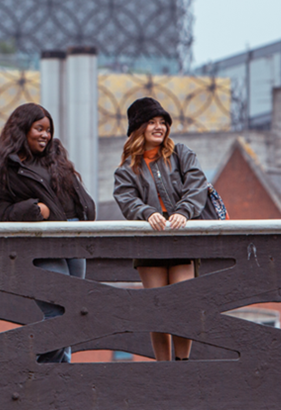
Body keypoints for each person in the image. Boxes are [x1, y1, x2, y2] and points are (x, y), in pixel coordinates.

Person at [0, 103, 95, 363]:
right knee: (59, 313)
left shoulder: (55, 157)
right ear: (22, 130)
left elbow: (74, 194)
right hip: (41, 243)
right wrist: (34, 210)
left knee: (74, 312)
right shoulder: (2, 165)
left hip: (73, 237)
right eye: (39, 129)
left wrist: (85, 211)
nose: (45, 135)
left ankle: (58, 378)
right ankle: (37, 374)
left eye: (48, 130)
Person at [112, 97, 208, 362]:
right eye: (152, 122)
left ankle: (182, 363)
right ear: (138, 127)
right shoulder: (127, 169)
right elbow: (126, 198)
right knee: (156, 307)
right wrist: (147, 213)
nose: (159, 127)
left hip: (181, 237)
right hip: (149, 240)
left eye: (163, 122)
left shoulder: (182, 153)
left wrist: (183, 211)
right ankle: (163, 367)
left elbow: (197, 184)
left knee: (184, 304)